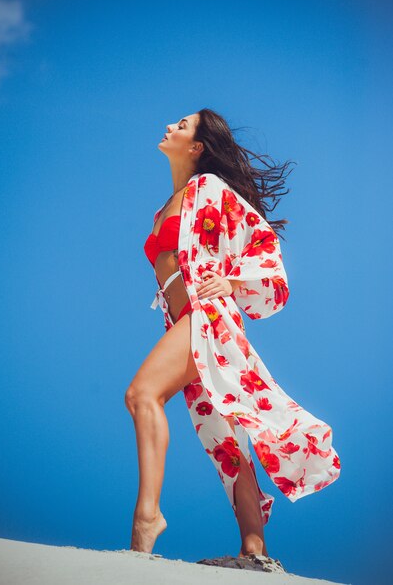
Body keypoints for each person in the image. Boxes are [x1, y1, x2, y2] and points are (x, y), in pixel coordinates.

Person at [125, 108, 341, 560]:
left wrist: (235, 282)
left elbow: (262, 242)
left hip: (206, 318)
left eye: (181, 126)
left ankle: (147, 519)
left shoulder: (209, 188)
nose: (170, 126)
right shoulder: (165, 205)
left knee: (142, 394)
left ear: (197, 146)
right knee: (225, 441)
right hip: (183, 323)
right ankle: (255, 550)